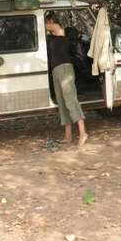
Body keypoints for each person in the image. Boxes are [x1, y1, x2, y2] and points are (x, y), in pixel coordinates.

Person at [45, 13, 88, 146]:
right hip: (56, 70)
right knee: (62, 102)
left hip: (65, 68)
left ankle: (83, 133)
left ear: (52, 21)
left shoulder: (64, 32)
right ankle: (68, 136)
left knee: (70, 100)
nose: (45, 25)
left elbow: (47, 26)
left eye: (47, 22)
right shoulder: (50, 36)